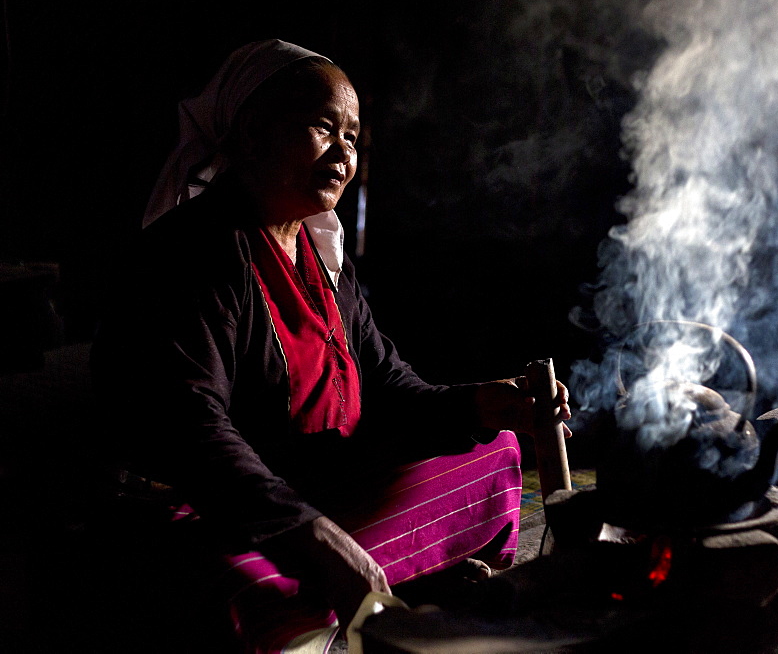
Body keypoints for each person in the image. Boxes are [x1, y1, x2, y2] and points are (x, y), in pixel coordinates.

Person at [90, 39, 571, 653]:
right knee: (258, 604)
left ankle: (359, 578)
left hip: (314, 485)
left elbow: (389, 387)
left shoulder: (322, 258)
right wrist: (313, 533)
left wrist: (482, 405)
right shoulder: (194, 255)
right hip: (214, 508)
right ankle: (356, 580)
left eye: (352, 134)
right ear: (251, 135)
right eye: (322, 127)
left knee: (494, 453)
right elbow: (191, 433)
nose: (343, 152)